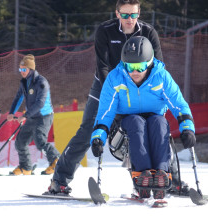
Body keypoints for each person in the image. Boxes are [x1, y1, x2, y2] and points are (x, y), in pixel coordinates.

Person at [45, 0, 166, 195]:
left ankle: (162, 182)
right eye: (125, 15)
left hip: (137, 89)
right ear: (117, 13)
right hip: (105, 87)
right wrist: (114, 92)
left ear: (139, 13)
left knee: (142, 131)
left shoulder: (148, 32)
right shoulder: (106, 30)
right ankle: (59, 180)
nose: (130, 19)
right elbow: (102, 66)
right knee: (88, 133)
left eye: (133, 15)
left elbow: (158, 66)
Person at [90, 36, 196, 200]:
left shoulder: (161, 77)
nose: (134, 72)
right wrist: (98, 137)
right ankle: (142, 176)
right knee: (136, 122)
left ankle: (161, 176)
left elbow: (179, 105)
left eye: (139, 67)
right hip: (124, 127)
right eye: (130, 66)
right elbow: (105, 112)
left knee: (159, 122)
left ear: (149, 62)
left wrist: (187, 129)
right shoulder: (115, 78)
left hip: (155, 121)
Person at [7, 54, 60, 176]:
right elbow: (18, 98)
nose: (22, 72)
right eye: (20, 69)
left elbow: (40, 103)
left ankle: (56, 161)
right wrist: (11, 113)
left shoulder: (41, 82)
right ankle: (26, 167)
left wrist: (25, 115)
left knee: (40, 140)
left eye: (24, 69)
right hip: (32, 116)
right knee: (20, 141)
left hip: (44, 116)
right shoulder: (24, 82)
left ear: (31, 69)